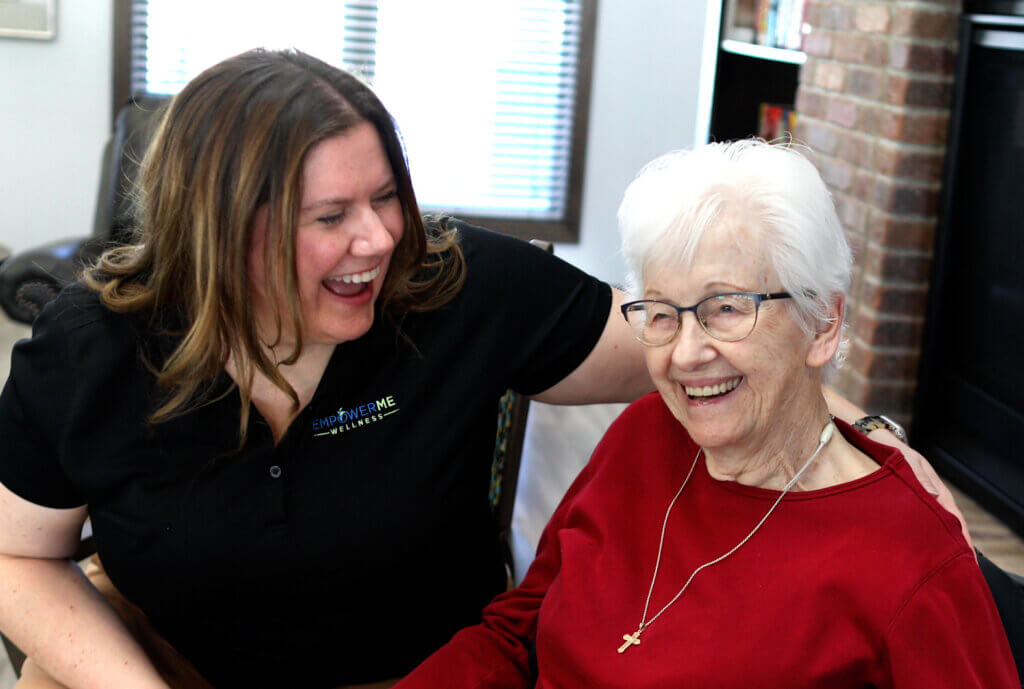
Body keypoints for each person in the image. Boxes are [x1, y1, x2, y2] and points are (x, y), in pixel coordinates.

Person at [0, 50, 972, 689]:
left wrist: (862, 428)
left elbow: (705, 344)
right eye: (329, 215)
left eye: (387, 196)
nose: (379, 237)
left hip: (415, 668)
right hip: (169, 658)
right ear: (219, 233)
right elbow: (17, 553)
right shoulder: (91, 346)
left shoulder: (456, 284)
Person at [393, 141, 1020, 688]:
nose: (687, 354)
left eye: (725, 308)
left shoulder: (911, 559)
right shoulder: (642, 435)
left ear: (822, 323)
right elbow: (517, 634)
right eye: (662, 313)